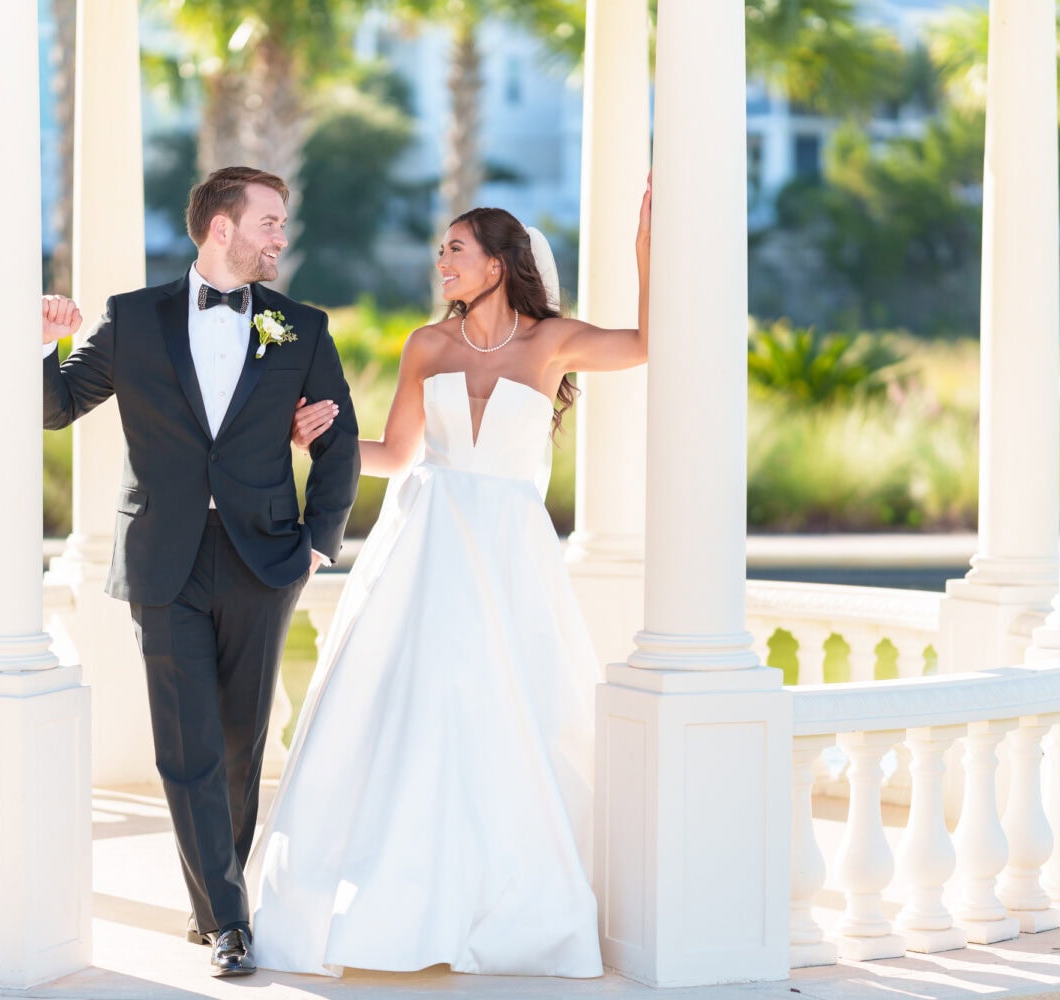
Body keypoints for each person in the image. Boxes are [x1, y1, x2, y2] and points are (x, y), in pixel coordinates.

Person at [247, 181, 652, 979]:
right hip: (424, 542)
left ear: (500, 264)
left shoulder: (553, 341)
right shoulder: (426, 346)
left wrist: (647, 250)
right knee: (411, 703)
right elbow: (397, 456)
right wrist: (316, 445)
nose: (442, 264)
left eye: (456, 251)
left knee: (511, 707)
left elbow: (649, 343)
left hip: (507, 549)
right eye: (440, 251)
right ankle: (391, 898)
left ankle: (510, 904)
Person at [39, 166, 360, 978]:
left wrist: (318, 542)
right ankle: (228, 918)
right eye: (270, 223)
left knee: (241, 741)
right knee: (186, 745)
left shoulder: (300, 327)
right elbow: (57, 405)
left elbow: (339, 441)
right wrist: (41, 341)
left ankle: (214, 899)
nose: (281, 237)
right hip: (163, 558)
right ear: (222, 228)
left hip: (264, 557)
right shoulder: (132, 320)